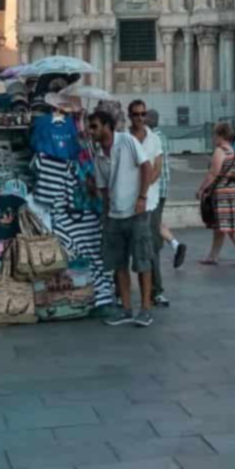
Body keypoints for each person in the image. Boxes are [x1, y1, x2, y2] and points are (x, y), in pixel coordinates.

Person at [87, 107, 155, 327]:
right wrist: (105, 215)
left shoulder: (127, 141)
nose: (91, 131)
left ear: (107, 126)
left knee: (142, 260)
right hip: (115, 215)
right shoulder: (98, 156)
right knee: (119, 264)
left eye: (95, 126)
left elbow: (146, 167)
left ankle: (145, 308)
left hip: (136, 212)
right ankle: (126, 308)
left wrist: (142, 196)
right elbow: (104, 189)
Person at [127, 100, 170, 307]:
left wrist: (142, 192)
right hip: (126, 202)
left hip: (149, 201)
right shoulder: (123, 139)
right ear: (130, 116)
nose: (140, 118)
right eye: (136, 114)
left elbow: (157, 169)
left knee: (151, 246)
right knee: (125, 247)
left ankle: (156, 290)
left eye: (143, 114)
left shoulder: (154, 140)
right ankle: (121, 292)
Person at [197, 120, 235, 269]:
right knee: (220, 226)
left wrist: (201, 189)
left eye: (215, 135)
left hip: (222, 193)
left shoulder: (220, 151)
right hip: (234, 192)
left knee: (231, 228)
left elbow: (213, 173)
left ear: (221, 135)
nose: (213, 138)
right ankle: (213, 256)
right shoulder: (234, 153)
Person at [145, 110, 186, 274]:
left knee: (152, 224)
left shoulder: (152, 138)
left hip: (154, 187)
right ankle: (175, 245)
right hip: (163, 187)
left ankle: (166, 248)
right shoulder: (163, 136)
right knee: (156, 221)